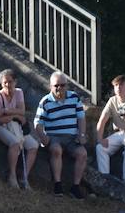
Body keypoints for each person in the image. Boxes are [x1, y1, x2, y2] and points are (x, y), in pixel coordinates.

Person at [33, 71, 90, 199]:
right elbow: (37, 123)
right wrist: (44, 138)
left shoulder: (74, 97)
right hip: (54, 136)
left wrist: (81, 134)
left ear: (67, 86)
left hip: (71, 137)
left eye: (62, 85)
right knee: (56, 150)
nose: (59, 88)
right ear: (51, 86)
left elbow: (81, 118)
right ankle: (57, 184)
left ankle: (75, 187)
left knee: (82, 154)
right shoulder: (45, 101)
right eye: (56, 85)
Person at [0, 69, 39, 189]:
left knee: (33, 145)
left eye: (10, 82)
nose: (7, 85)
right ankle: (12, 175)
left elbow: (22, 111)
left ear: (15, 82)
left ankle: (24, 176)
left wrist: (7, 112)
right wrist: (14, 115)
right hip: (1, 126)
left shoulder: (19, 93)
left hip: (16, 125)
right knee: (15, 143)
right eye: (4, 82)